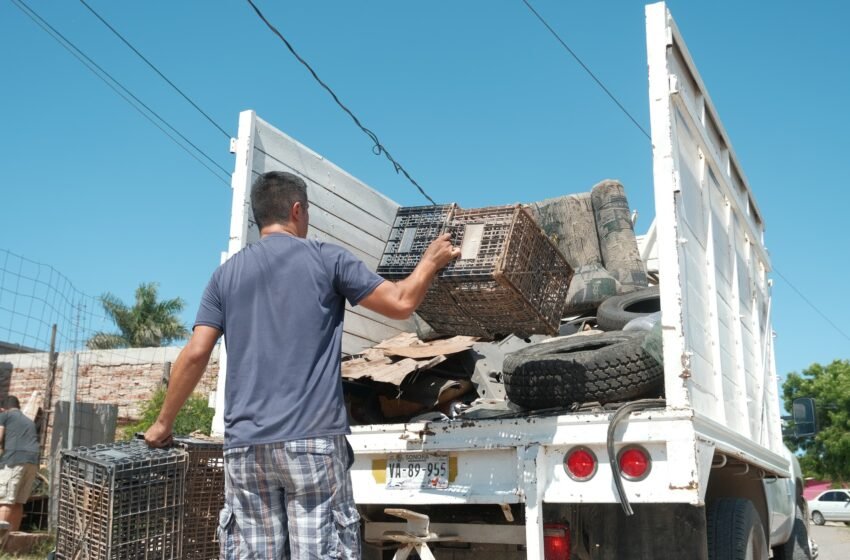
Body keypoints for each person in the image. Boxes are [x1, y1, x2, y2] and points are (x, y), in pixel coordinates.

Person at [145, 170, 459, 559]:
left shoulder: (224, 276)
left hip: (246, 449)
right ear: (297, 210)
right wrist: (429, 261)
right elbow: (400, 302)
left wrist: (163, 423)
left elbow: (196, 353)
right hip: (312, 442)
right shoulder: (327, 259)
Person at [0, 395, 40, 532]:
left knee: (5, 500)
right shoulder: (29, 421)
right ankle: (12, 538)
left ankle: (0, 539)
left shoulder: (5, 416)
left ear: (2, 409)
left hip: (14, 461)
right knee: (18, 501)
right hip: (32, 462)